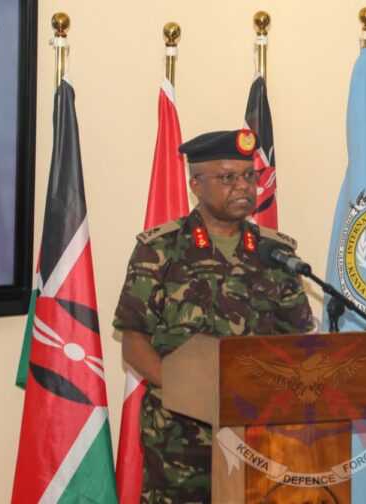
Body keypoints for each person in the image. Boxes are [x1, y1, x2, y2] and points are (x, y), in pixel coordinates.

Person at [113, 129, 314, 503]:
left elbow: (297, 339)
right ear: (196, 184)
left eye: (248, 176)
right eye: (227, 178)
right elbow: (134, 341)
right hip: (181, 439)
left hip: (261, 435)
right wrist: (190, 393)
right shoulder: (159, 250)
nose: (242, 186)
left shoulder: (275, 254)